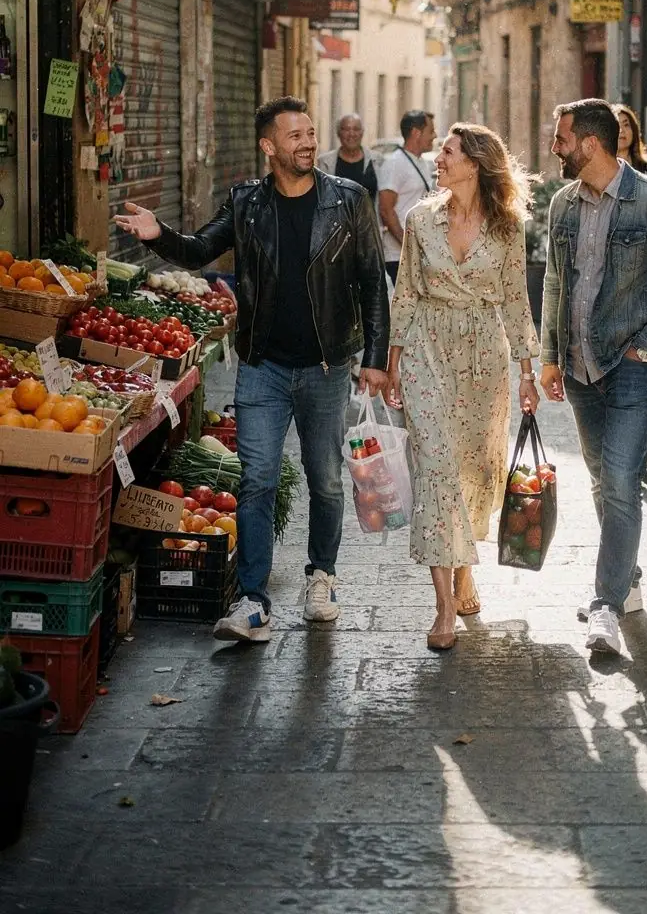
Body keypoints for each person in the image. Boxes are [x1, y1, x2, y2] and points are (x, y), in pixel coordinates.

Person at [114, 96, 389, 643]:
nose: (308, 143)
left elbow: (371, 281)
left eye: (311, 133)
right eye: (295, 136)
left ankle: (321, 576)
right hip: (262, 366)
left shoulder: (348, 200)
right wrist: (158, 234)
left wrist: (376, 359)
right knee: (256, 480)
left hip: (327, 366)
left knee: (327, 481)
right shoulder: (246, 202)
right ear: (269, 146)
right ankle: (254, 600)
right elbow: (199, 250)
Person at [540, 99, 647, 657]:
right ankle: (625, 576)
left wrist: (646, 346)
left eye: (561, 138)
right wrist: (550, 355)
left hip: (632, 367)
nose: (554, 147)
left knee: (621, 480)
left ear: (589, 143)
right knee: (600, 479)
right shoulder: (564, 204)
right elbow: (556, 285)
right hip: (581, 366)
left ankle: (605, 605)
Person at [387, 123, 540, 652]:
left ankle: (464, 569)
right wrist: (391, 366)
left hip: (484, 358)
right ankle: (443, 608)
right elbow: (404, 294)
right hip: (427, 348)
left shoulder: (507, 228)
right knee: (435, 469)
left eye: (447, 152)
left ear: (473, 163)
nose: (437, 159)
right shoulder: (419, 220)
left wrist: (527, 372)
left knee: (473, 469)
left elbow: (518, 301)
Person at [379, 109, 436, 285]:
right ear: (416, 133)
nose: (434, 136)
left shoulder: (421, 162)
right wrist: (408, 244)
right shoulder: (395, 163)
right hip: (399, 256)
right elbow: (386, 210)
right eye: (431, 131)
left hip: (418, 251)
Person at [317, 112, 378, 201]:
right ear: (338, 133)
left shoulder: (377, 160)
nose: (351, 134)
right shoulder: (324, 162)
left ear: (362, 133)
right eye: (346, 129)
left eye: (356, 129)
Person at [614, 103, 647, 183]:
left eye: (626, 125)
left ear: (634, 131)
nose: (621, 130)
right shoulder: (598, 169)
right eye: (616, 125)